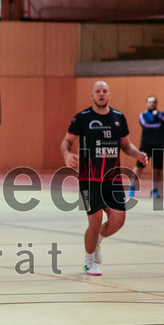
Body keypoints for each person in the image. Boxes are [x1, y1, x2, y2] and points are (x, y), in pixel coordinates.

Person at [61, 81, 147, 276]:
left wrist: (138, 154)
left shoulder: (118, 118)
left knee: (118, 221)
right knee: (95, 219)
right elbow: (66, 141)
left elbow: (126, 145)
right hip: (89, 178)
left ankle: (98, 240)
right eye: (98, 91)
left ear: (109, 95)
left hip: (112, 178)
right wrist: (66, 154)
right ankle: (88, 261)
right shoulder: (82, 118)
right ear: (92, 95)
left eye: (104, 91)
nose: (101, 94)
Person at [128, 95, 164, 198]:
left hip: (158, 145)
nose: (152, 104)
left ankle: (155, 190)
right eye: (150, 102)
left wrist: (157, 117)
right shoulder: (143, 115)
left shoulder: (161, 114)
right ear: (147, 104)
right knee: (139, 167)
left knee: (157, 169)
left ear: (156, 104)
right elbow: (145, 125)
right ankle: (132, 187)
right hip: (146, 145)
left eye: (153, 102)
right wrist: (158, 126)